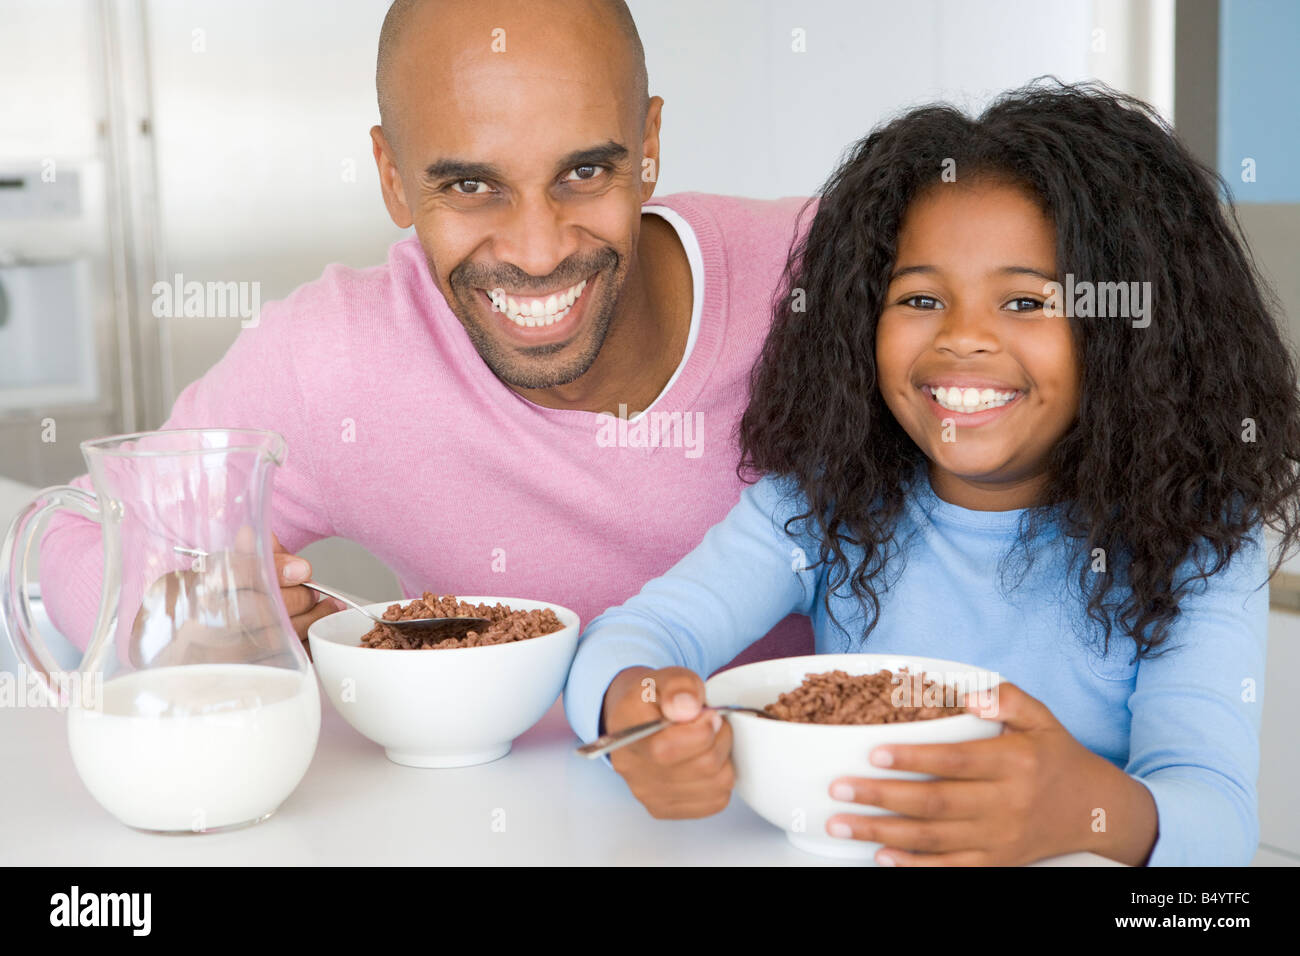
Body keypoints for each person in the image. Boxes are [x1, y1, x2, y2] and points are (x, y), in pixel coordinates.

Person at [564, 81, 1300, 866]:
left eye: (1024, 302)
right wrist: (640, 714)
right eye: (920, 297)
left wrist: (1082, 806)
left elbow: (1218, 820)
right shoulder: (822, 506)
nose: (962, 340)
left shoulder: (1197, 542)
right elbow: (633, 637)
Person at [37, 0, 814, 666]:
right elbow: (74, 529)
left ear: (647, 147)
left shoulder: (829, 279)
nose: (537, 251)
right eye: (472, 186)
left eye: (582, 174)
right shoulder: (343, 358)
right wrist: (173, 622)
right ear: (392, 177)